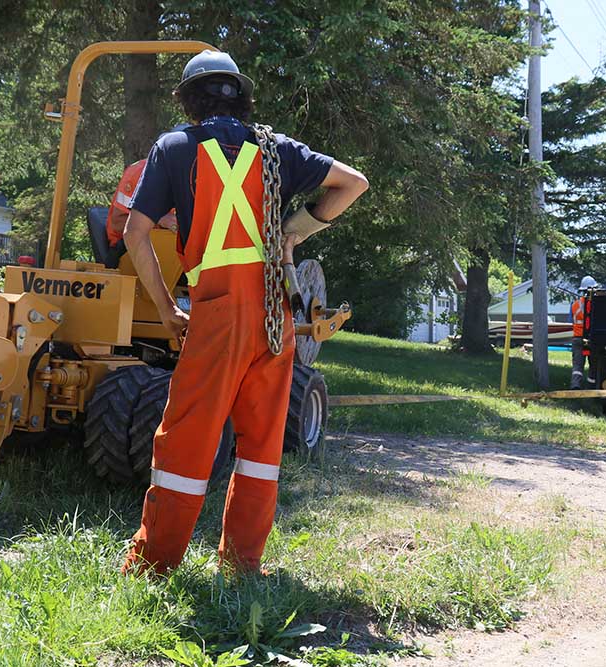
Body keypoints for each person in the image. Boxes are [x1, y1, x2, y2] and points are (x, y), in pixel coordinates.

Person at [121, 50, 369, 576]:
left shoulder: (173, 148)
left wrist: (167, 308)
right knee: (260, 445)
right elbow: (353, 183)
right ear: (241, 95)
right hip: (274, 318)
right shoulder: (276, 148)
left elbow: (133, 233)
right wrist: (294, 230)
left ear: (189, 100)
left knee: (187, 440)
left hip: (215, 313)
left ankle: (155, 565)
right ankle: (242, 566)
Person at [570, 275, 598, 389]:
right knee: (594, 364)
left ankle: (575, 385)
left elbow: (571, 319)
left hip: (577, 338)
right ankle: (592, 386)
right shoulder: (596, 305)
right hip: (592, 338)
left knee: (577, 365)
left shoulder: (575, 304)